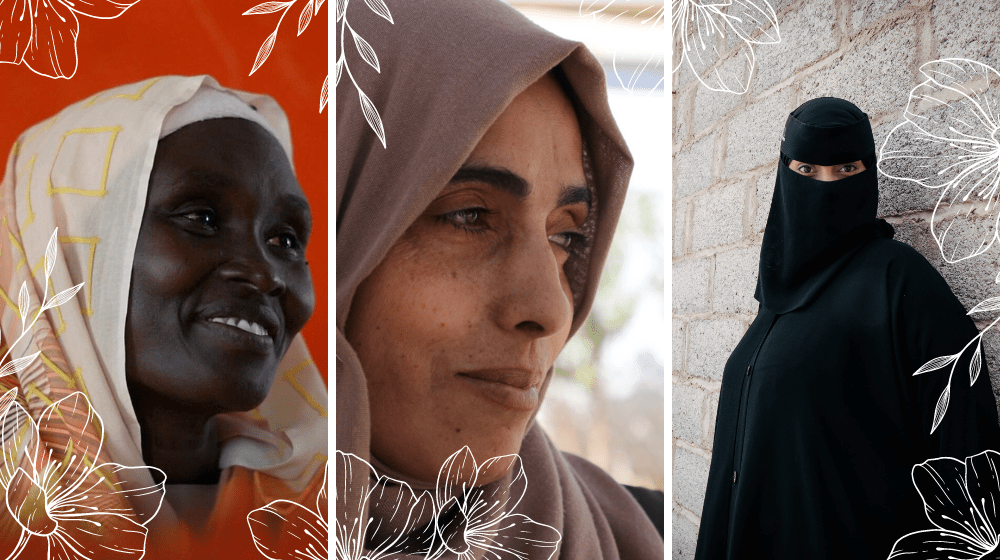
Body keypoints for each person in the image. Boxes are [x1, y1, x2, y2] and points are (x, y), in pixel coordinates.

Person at [336, 1, 664, 558]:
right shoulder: (159, 525)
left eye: (565, 237)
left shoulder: (648, 536)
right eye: (469, 216)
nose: (552, 311)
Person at [0, 75, 327, 558]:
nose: (266, 274)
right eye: (202, 218)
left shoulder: (324, 510)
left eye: (284, 240)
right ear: (67, 245)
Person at [694, 97, 1000, 558]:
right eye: (806, 170)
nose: (825, 185)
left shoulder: (898, 282)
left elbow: (968, 456)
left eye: (846, 170)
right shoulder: (773, 304)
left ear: (869, 172)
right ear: (784, 173)